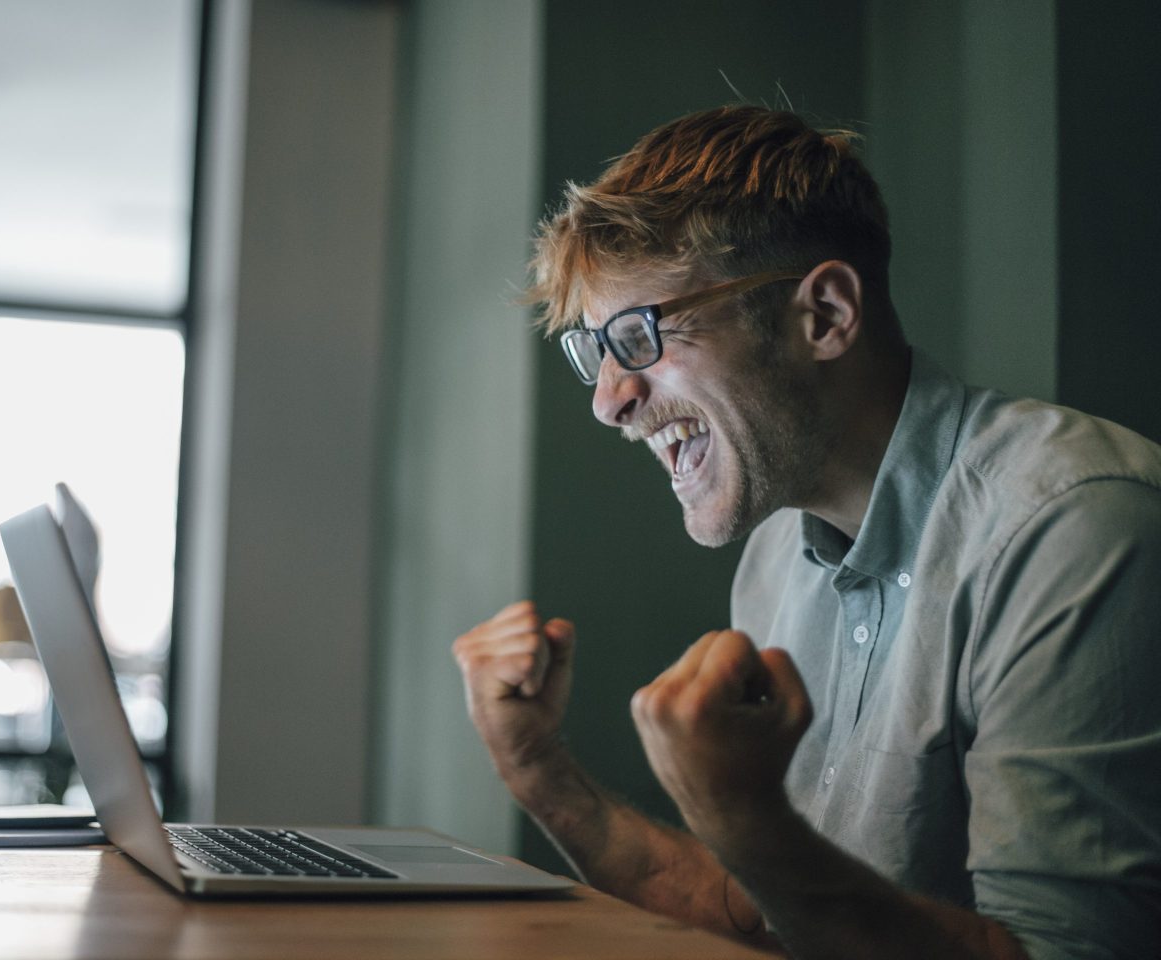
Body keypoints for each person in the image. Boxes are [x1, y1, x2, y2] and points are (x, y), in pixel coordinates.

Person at [452, 105, 1161, 960]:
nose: (608, 400)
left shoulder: (1076, 527)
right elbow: (767, 916)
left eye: (637, 336)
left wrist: (744, 816)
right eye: (595, 349)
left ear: (823, 314)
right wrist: (539, 771)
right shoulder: (775, 556)